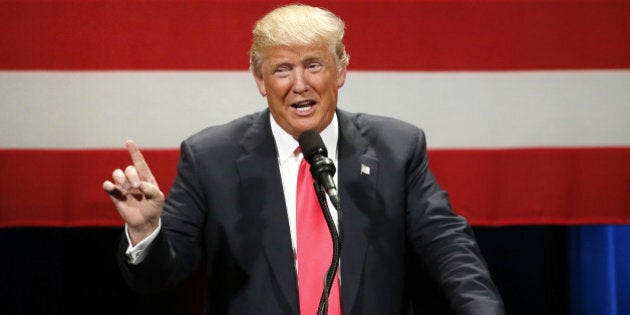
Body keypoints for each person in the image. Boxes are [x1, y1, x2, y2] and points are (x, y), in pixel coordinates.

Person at [103, 4, 504, 315]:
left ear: (341, 70)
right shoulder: (211, 158)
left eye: (313, 65)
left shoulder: (396, 149)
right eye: (282, 69)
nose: (300, 84)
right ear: (260, 80)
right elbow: (162, 276)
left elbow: (448, 246)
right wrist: (147, 232)